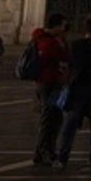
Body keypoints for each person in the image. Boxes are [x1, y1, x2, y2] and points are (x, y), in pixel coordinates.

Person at [54, 14, 91, 167]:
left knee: (69, 125)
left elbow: (68, 65)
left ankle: (62, 157)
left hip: (77, 89)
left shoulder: (76, 45)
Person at [28, 13, 70, 164]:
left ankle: (47, 151)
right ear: (57, 26)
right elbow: (63, 58)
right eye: (63, 25)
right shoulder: (50, 43)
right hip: (51, 83)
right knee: (50, 118)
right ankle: (43, 151)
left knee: (53, 117)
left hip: (44, 83)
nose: (65, 28)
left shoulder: (40, 38)